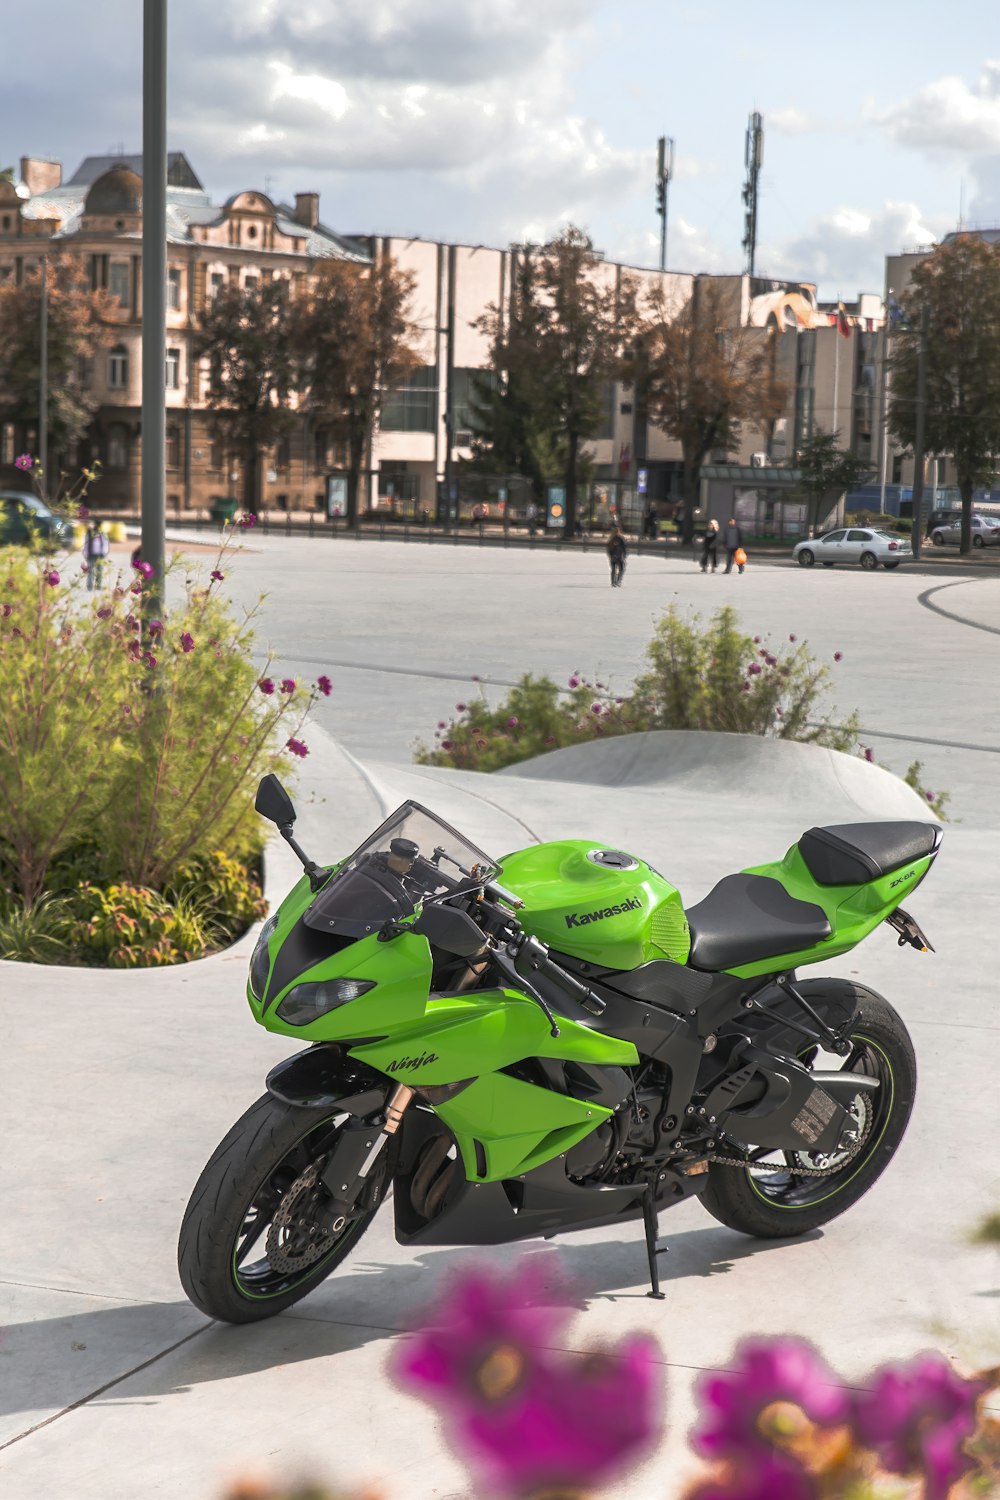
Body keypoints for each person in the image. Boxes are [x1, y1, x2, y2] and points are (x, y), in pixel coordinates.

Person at [83, 520, 110, 590]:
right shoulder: (89, 534)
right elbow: (86, 544)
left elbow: (105, 545)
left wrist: (104, 553)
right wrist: (85, 553)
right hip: (91, 555)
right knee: (90, 571)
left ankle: (98, 585)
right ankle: (89, 586)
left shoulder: (103, 534)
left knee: (99, 571)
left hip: (100, 555)